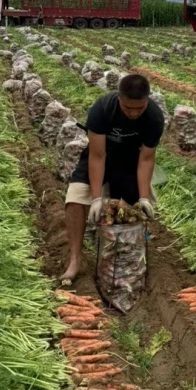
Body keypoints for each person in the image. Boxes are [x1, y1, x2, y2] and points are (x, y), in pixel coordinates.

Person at [61, 72, 165, 283]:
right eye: (128, 108)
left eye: (139, 108)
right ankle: (75, 260)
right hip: (101, 155)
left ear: (147, 101)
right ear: (119, 98)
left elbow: (146, 159)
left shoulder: (154, 117)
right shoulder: (102, 110)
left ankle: (125, 261)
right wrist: (97, 197)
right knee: (74, 199)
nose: (134, 113)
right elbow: (98, 156)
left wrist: (144, 197)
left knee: (128, 209)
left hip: (130, 161)